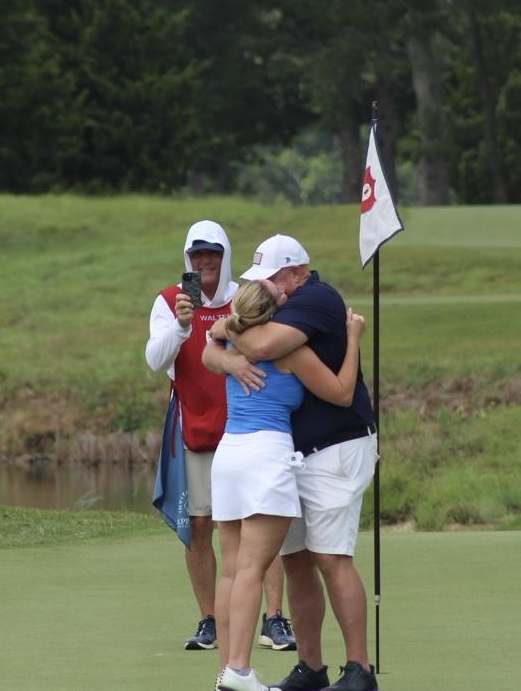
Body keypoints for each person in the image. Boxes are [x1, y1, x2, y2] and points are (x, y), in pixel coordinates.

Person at [207, 234, 379, 691]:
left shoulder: (317, 298)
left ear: (298, 273)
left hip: (336, 446)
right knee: (298, 559)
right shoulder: (278, 310)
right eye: (262, 283)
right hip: (290, 455)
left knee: (330, 555)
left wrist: (226, 330)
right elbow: (222, 341)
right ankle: (311, 667)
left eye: (274, 279)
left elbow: (259, 345)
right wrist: (223, 345)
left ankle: (360, 669)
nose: (271, 289)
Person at [145, 221, 295, 652]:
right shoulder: (170, 302)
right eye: (197, 256)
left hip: (249, 428)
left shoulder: (245, 297)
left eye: (212, 254)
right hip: (194, 426)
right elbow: (156, 361)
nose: (205, 262)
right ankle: (210, 619)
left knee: (260, 520)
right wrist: (179, 326)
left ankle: (274, 619)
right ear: (188, 259)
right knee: (199, 524)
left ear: (225, 255)